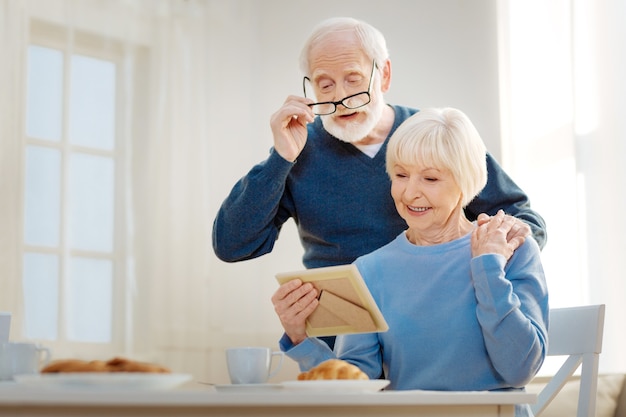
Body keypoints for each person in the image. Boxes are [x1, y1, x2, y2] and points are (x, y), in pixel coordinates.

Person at [212, 17, 547, 347]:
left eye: (353, 79)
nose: (340, 98)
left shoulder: (434, 134)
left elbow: (524, 221)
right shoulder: (300, 148)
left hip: (432, 333)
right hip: (338, 344)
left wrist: (488, 261)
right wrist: (280, 159)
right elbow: (232, 244)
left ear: (384, 75)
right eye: (325, 84)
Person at [271, 107, 549, 417]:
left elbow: (520, 369)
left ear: (465, 182)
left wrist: (488, 267)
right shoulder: (370, 270)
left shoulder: (511, 248)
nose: (410, 193)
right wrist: (300, 338)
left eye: (430, 178)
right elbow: (356, 387)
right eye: (401, 175)